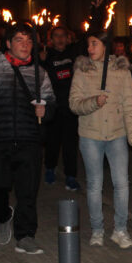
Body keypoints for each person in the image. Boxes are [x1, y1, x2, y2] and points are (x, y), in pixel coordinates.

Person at [0, 22, 56, 254]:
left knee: (27, 191)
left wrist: (45, 111)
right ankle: (3, 215)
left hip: (29, 140)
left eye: (29, 41)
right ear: (7, 43)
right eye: (19, 40)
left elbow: (52, 105)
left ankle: (25, 236)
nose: (25, 45)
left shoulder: (40, 73)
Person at [69, 30, 132, 249]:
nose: (90, 49)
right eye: (88, 45)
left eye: (94, 44)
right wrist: (93, 102)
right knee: (94, 185)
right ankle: (97, 230)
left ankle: (120, 229)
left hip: (117, 134)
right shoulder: (82, 71)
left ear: (105, 46)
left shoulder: (121, 71)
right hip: (91, 136)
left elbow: (130, 104)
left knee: (121, 184)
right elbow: (74, 103)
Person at [40, 25, 81, 191]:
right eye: (56, 36)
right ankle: (50, 169)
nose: (60, 39)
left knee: (70, 144)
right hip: (53, 107)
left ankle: (70, 176)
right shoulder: (46, 55)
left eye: (62, 35)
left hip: (70, 106)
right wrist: (41, 60)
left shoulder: (73, 54)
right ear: (51, 39)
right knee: (52, 142)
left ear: (68, 37)